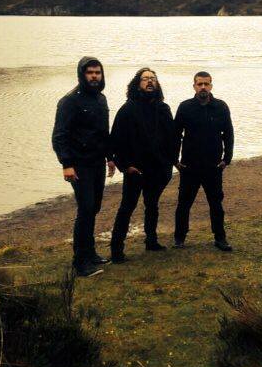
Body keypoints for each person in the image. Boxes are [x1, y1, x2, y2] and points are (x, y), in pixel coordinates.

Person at [52, 56, 116, 277]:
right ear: (82, 75)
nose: (94, 76)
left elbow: (103, 133)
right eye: (90, 73)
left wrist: (110, 157)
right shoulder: (69, 101)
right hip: (79, 165)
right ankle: (80, 262)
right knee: (86, 209)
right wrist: (66, 164)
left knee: (94, 208)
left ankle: (90, 253)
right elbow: (59, 136)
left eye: (97, 72)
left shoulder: (101, 99)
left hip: (97, 162)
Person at [108, 68, 177, 263]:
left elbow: (172, 139)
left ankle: (151, 241)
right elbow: (115, 141)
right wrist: (125, 166)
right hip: (135, 170)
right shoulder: (128, 109)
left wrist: (169, 163)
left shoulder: (163, 109)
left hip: (158, 169)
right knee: (127, 207)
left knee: (152, 205)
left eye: (152, 79)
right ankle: (116, 250)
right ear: (137, 84)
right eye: (145, 79)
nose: (149, 81)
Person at [173, 71, 234, 251]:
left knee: (216, 204)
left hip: (213, 165)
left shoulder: (221, 107)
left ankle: (220, 238)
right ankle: (179, 238)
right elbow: (175, 134)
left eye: (206, 84)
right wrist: (174, 159)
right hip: (189, 165)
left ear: (211, 86)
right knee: (184, 204)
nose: (203, 87)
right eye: (199, 84)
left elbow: (228, 134)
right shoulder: (185, 107)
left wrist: (227, 158)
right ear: (194, 86)